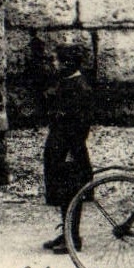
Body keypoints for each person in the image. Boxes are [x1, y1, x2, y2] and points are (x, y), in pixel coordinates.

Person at [41, 38, 93, 254]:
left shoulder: (81, 87)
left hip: (70, 149)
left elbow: (82, 124)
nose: (55, 64)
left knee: (71, 193)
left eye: (58, 61)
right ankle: (66, 233)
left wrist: (72, 151)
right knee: (63, 193)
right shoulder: (65, 82)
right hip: (59, 145)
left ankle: (73, 237)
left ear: (69, 63)